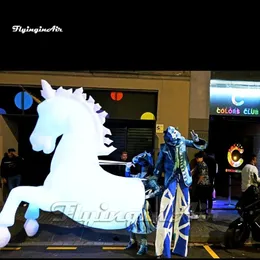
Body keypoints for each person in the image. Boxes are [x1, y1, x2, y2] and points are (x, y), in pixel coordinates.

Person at [148, 126, 207, 258]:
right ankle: (163, 250)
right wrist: (154, 178)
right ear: (169, 140)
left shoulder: (181, 141)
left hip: (184, 180)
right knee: (165, 211)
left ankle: (180, 248)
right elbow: (158, 166)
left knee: (184, 211)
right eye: (173, 140)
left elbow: (198, 146)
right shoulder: (164, 148)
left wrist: (197, 141)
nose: (175, 141)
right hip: (171, 180)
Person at [124, 151, 159, 255]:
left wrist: (148, 196)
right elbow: (127, 180)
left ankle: (144, 245)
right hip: (134, 202)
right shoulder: (138, 176)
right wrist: (127, 168)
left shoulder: (151, 179)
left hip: (143, 204)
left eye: (145, 164)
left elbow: (158, 189)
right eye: (141, 164)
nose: (143, 166)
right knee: (131, 222)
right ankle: (133, 241)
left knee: (141, 223)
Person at [195, 151, 213, 219]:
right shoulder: (200, 164)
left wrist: (197, 183)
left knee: (203, 199)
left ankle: (204, 213)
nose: (196, 160)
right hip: (204, 184)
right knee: (202, 199)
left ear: (201, 158)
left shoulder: (202, 165)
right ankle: (203, 212)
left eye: (197, 158)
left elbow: (202, 176)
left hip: (204, 184)